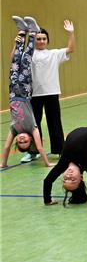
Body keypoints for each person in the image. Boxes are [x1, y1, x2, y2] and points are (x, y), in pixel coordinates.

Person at [1, 16, 52, 168]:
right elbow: (41, 147)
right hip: (24, 92)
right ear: (30, 140)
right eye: (26, 142)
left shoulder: (14, 129)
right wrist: (47, 163)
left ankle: (22, 31)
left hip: (12, 92)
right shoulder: (32, 128)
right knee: (26, 58)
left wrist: (3, 163)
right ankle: (33, 32)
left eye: (20, 142)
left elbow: (5, 147)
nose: (22, 139)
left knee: (16, 60)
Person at [26, 19, 75, 163]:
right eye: (38, 39)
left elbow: (70, 48)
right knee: (34, 124)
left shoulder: (54, 54)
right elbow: (14, 58)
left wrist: (71, 33)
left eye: (43, 39)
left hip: (52, 92)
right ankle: (33, 151)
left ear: (47, 41)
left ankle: (60, 150)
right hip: (34, 94)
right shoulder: (29, 55)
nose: (41, 41)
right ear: (34, 41)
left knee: (54, 122)